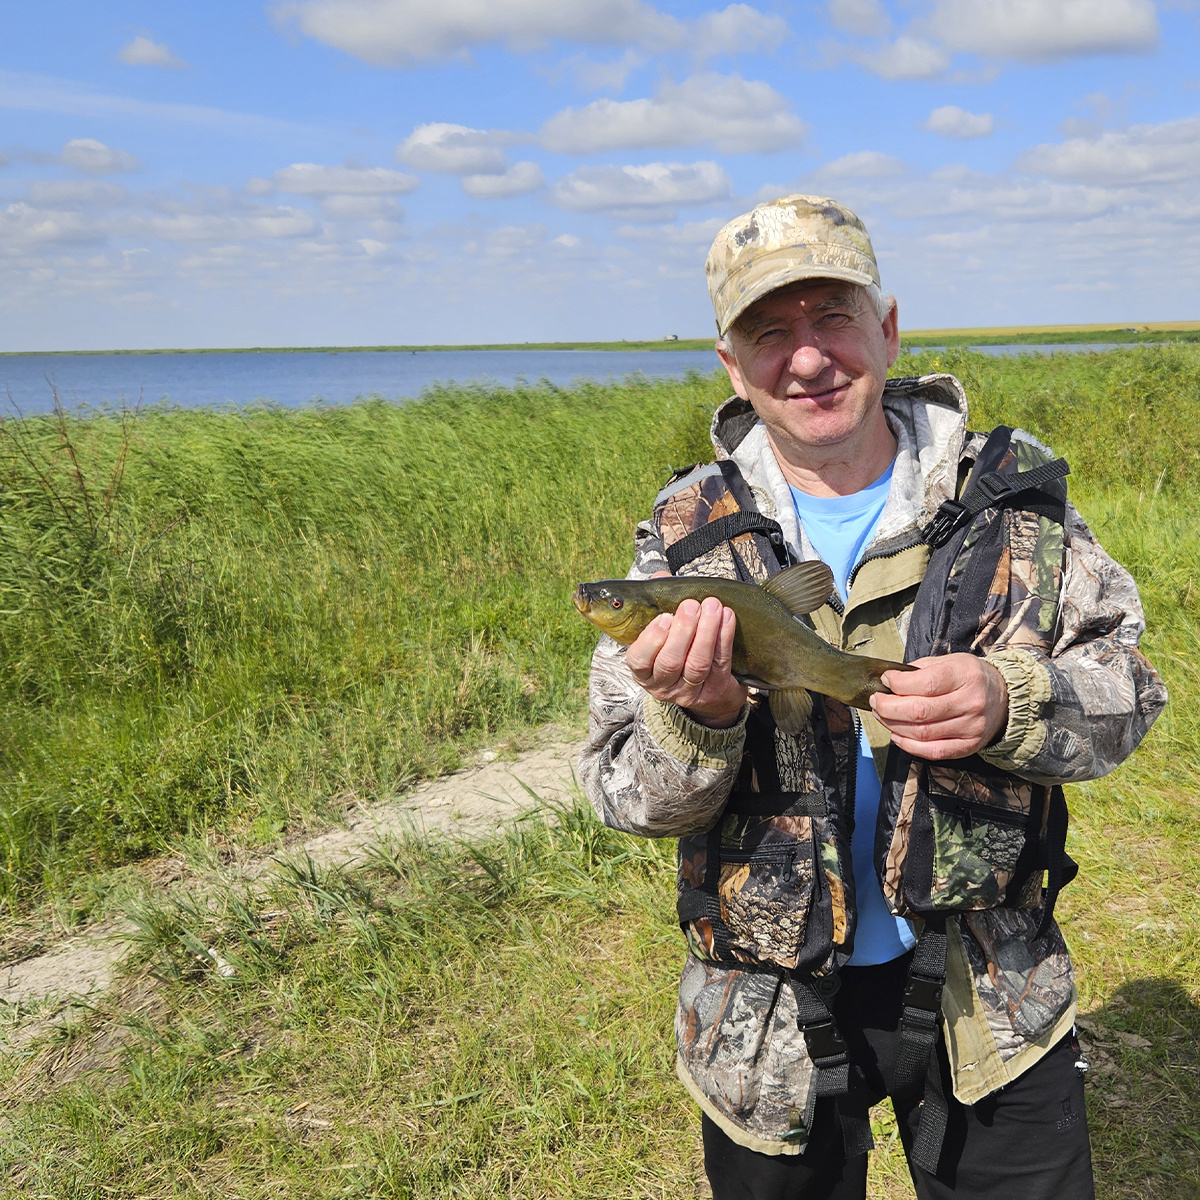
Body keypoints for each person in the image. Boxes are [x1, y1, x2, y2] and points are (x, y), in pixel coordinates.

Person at [579, 194, 1166, 1200]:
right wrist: (699, 720)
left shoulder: (1010, 502)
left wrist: (1010, 702)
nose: (807, 358)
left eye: (833, 317)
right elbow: (619, 792)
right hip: (762, 1018)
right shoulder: (682, 539)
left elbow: (1132, 695)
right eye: (770, 332)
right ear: (731, 364)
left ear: (888, 329)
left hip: (995, 994)